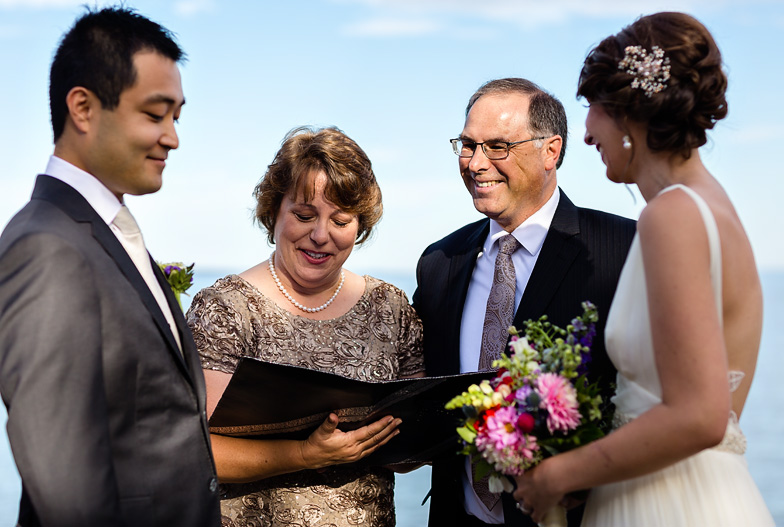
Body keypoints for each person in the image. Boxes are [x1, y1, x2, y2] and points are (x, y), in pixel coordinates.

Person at [511, 12, 775, 526]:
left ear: (629, 114)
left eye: (592, 108)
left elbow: (701, 417)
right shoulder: (714, 207)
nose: (586, 133)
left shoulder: (671, 216)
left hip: (667, 504)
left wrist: (558, 475)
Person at [0, 7, 221, 527]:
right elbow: (68, 488)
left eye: (176, 117)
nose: (172, 137)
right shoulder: (47, 249)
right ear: (83, 107)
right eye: (154, 114)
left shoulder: (107, 233)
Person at [414, 77, 635, 527]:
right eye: (468, 145)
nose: (476, 163)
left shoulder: (624, 247)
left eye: (497, 146)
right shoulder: (440, 262)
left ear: (551, 151)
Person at [186, 126, 425, 527]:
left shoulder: (392, 307)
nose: (320, 236)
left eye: (341, 220)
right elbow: (196, 451)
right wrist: (304, 454)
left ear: (360, 225)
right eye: (304, 215)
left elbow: (414, 448)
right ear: (273, 211)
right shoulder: (224, 309)